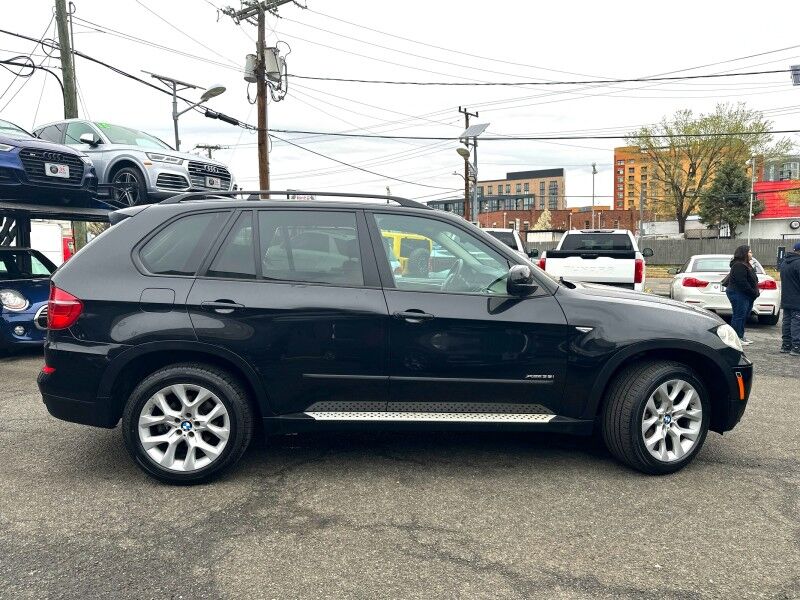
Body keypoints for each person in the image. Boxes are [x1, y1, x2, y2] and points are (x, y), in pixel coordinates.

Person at [725, 245, 759, 345]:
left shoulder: (747, 264)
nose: (752, 254)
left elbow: (753, 279)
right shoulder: (738, 265)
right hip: (739, 293)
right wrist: (753, 292)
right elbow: (742, 282)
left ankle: (740, 335)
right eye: (750, 252)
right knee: (739, 316)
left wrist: (754, 292)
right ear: (744, 253)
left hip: (747, 294)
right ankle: (736, 338)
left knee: (744, 316)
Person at [778, 241, 800, 355]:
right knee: (797, 323)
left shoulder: (784, 262)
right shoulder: (798, 263)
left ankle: (786, 345)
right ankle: (796, 347)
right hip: (797, 299)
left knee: (787, 322)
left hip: (786, 298)